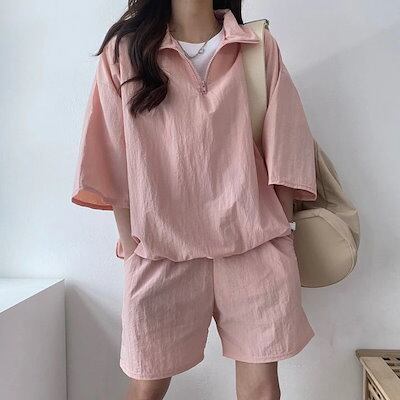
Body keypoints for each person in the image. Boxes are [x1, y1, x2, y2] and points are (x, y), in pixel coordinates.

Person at [71, 1, 317, 399]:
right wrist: (134, 247)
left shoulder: (256, 45)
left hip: (254, 247)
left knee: (261, 390)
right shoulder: (124, 51)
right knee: (146, 386)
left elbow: (286, 146)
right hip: (160, 251)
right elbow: (110, 155)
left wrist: (282, 231)